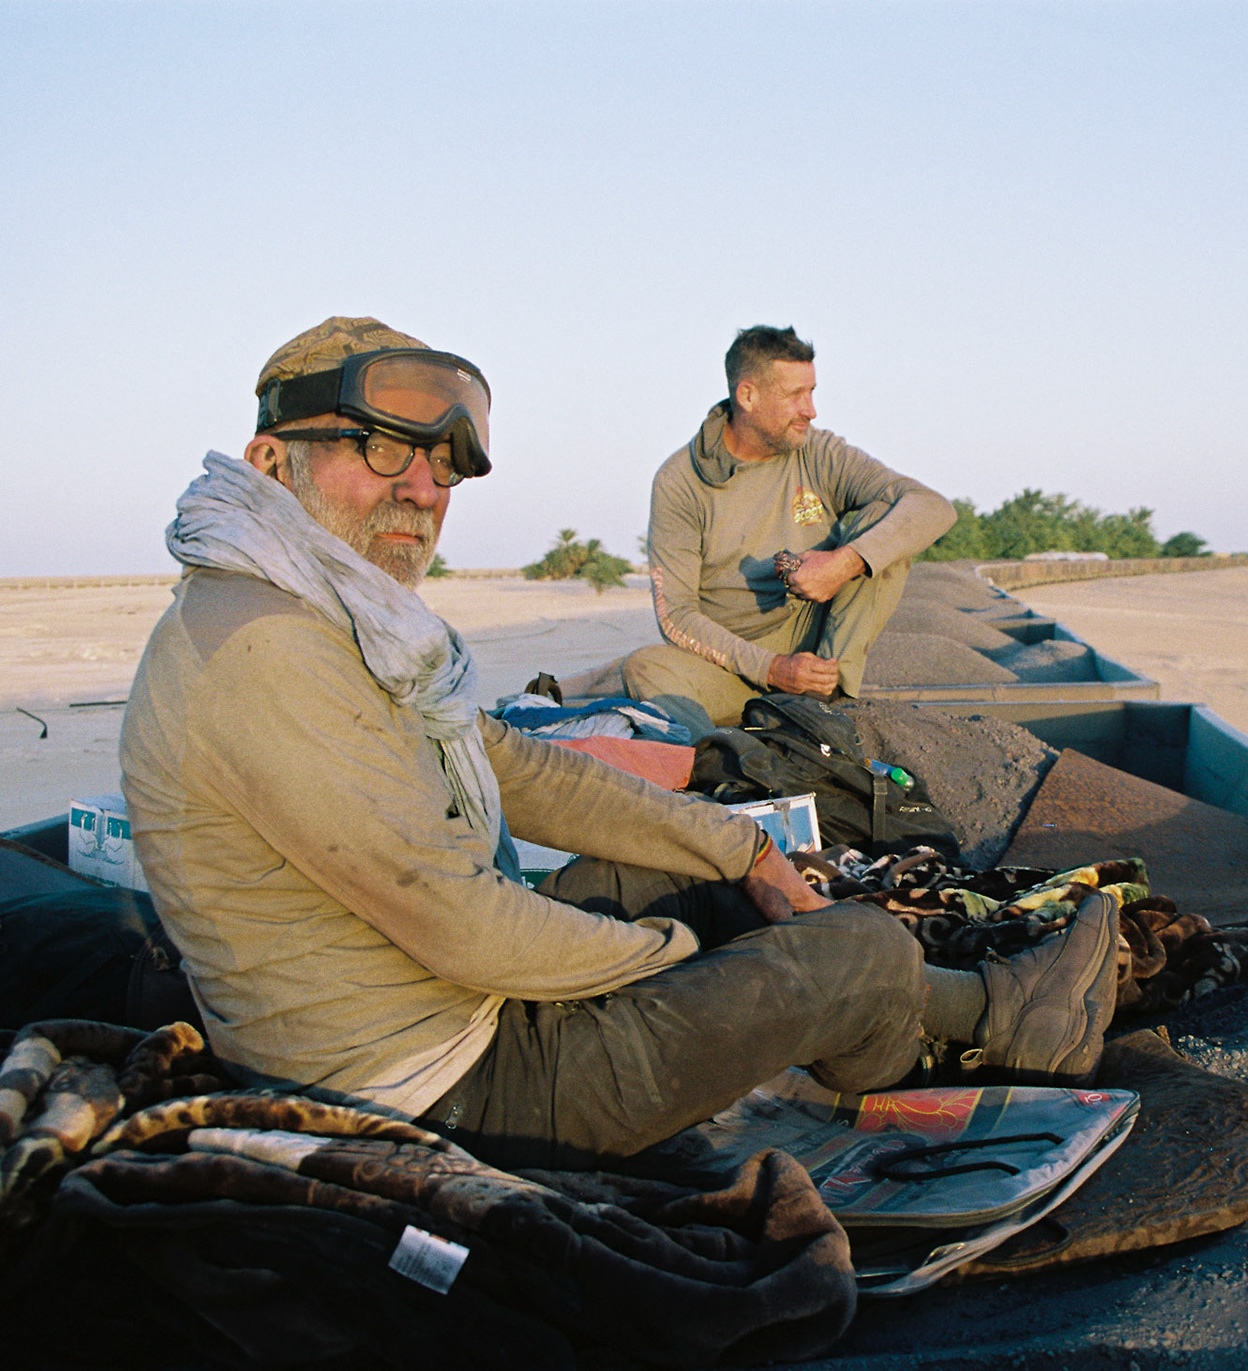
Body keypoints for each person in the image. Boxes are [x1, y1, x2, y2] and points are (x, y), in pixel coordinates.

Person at [119, 316, 1117, 1168]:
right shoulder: (266, 648)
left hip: (452, 1004)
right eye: (380, 449)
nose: (422, 489)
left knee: (710, 877)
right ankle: (969, 1035)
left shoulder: (329, 615)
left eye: (442, 463)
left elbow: (518, 767)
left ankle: (956, 1019)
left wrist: (742, 849)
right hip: (436, 1086)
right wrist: (688, 960)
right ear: (271, 462)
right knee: (846, 951)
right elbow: (458, 920)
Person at [555, 326, 954, 732]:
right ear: (747, 396)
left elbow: (932, 506)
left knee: (892, 518)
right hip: (732, 664)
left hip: (816, 644)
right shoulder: (680, 482)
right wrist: (772, 668)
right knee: (644, 668)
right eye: (795, 395)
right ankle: (719, 751)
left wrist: (842, 564)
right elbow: (676, 614)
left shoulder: (818, 452)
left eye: (812, 392)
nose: (811, 410)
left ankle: (824, 703)